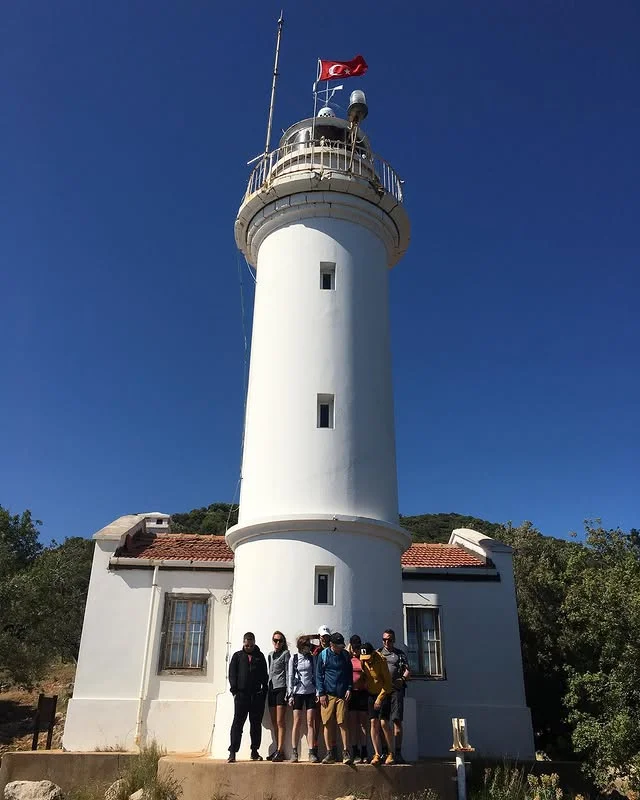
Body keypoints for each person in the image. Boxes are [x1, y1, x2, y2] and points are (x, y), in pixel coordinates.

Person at [227, 632, 268, 763]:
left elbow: (264, 675)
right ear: (243, 643)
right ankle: (232, 752)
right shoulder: (237, 656)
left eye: (251, 645)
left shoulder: (260, 656)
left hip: (256, 695)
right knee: (238, 724)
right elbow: (232, 673)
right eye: (247, 645)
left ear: (254, 643)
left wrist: (263, 692)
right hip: (241, 696)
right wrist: (234, 691)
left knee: (255, 725)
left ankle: (254, 751)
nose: (249, 647)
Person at [315, 631, 353, 764]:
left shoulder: (345, 655)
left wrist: (349, 688)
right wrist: (321, 693)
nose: (341, 647)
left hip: (342, 694)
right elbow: (319, 675)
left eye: (342, 645)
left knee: (343, 723)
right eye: (338, 645)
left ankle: (346, 752)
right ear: (331, 644)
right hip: (327, 694)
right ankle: (329, 752)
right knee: (327, 723)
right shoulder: (323, 655)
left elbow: (349, 673)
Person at [378, 628, 411, 764]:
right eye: (384, 639)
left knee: (397, 720)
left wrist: (402, 680)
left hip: (396, 690)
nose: (387, 642)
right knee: (382, 720)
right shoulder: (378, 653)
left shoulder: (400, 654)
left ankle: (397, 751)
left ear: (394, 640)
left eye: (389, 639)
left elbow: (408, 670)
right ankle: (385, 750)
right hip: (382, 691)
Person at [360, 641, 394, 765]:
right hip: (370, 693)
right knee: (373, 722)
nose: (367, 661)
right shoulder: (363, 660)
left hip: (383, 693)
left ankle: (390, 753)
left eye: (368, 658)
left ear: (373, 654)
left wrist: (380, 698)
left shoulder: (381, 660)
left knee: (384, 723)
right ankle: (377, 753)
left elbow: (388, 683)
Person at [287, 635, 319, 763]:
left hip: (310, 692)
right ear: (301, 647)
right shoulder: (293, 659)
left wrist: (317, 692)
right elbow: (290, 676)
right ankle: (294, 752)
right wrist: (290, 695)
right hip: (298, 693)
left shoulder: (312, 658)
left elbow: (315, 674)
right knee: (297, 722)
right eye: (306, 646)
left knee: (310, 722)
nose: (309, 648)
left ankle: (312, 752)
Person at [266, 630, 290, 762]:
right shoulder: (270, 655)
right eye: (275, 640)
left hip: (281, 688)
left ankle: (280, 750)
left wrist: (288, 691)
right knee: (274, 722)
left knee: (280, 721)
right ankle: (277, 749)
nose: (277, 643)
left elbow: (288, 672)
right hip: (271, 689)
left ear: (283, 642)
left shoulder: (286, 654)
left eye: (280, 640)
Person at [347, 635, 369, 764]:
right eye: (354, 647)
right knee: (353, 724)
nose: (356, 650)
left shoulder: (363, 659)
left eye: (357, 647)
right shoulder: (347, 658)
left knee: (362, 724)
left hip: (362, 693)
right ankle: (355, 751)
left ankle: (364, 750)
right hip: (351, 693)